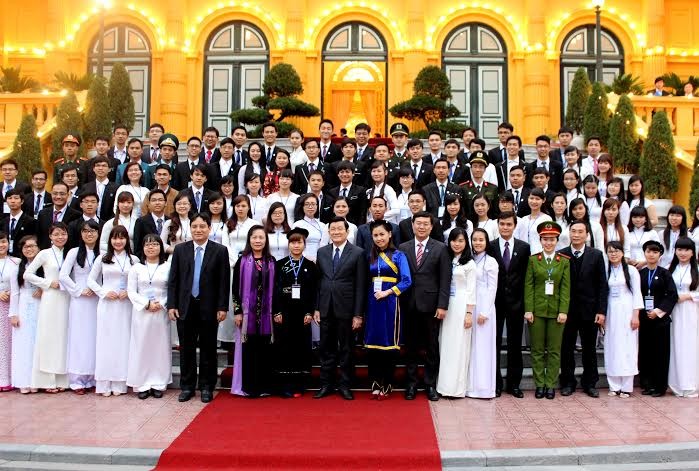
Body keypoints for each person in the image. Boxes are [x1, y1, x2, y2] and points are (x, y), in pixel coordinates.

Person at [168, 213, 230, 403]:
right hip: (185, 306)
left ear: (209, 228)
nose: (198, 230)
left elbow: (223, 281)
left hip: (209, 307)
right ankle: (187, 387)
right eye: (194, 226)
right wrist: (172, 304)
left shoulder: (219, 251)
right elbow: (174, 280)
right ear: (190, 228)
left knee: (208, 349)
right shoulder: (180, 250)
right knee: (186, 349)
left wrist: (222, 307)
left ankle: (206, 387)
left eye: (202, 226)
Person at [399, 211, 452, 401]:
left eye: (425, 224)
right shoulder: (403, 248)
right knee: (411, 346)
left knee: (431, 346)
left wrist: (442, 305)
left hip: (431, 306)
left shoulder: (440, 248)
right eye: (418, 223)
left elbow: (445, 279)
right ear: (412, 225)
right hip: (409, 304)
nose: (421, 227)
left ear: (431, 226)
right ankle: (411, 384)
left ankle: (430, 384)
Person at [313, 217, 368, 401]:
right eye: (333, 229)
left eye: (339, 229)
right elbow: (318, 282)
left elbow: (361, 285)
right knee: (325, 348)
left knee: (346, 349)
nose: (336, 232)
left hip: (347, 308)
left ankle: (345, 385)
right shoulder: (322, 252)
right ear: (329, 232)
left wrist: (358, 314)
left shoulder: (358, 253)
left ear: (347, 232)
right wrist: (317, 308)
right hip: (326, 308)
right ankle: (325, 384)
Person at [558, 220, 608, 397]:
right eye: (573, 231)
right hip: (567, 310)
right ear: (569, 233)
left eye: (580, 232)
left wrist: (601, 311)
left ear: (587, 235)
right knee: (566, 348)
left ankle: (590, 383)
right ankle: (567, 382)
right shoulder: (561, 255)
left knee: (589, 349)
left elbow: (602, 285)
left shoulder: (596, 255)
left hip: (590, 311)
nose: (576, 235)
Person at [88, 225, 139, 397]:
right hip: (107, 305)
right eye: (115, 238)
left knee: (123, 342)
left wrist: (129, 292)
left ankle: (120, 382)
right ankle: (103, 383)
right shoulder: (102, 258)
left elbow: (138, 283)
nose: (118, 241)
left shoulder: (134, 260)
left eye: (122, 238)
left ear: (127, 240)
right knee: (105, 341)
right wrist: (103, 292)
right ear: (110, 240)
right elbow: (91, 280)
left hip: (125, 306)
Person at [364, 219, 412, 399]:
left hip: (391, 302)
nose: (379, 238)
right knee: (373, 344)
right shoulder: (370, 255)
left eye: (382, 234)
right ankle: (375, 381)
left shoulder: (399, 255)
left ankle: (388, 382)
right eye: (375, 235)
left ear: (390, 234)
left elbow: (407, 280)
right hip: (372, 302)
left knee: (389, 343)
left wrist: (388, 292)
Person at [524, 221, 570, 400]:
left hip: (556, 311)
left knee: (553, 350)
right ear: (540, 240)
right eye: (545, 239)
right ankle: (539, 384)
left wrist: (563, 310)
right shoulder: (533, 260)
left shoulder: (563, 262)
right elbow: (529, 287)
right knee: (536, 350)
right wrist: (529, 310)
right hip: (537, 311)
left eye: (552, 239)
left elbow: (565, 288)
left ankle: (550, 384)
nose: (548, 243)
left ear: (557, 241)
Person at [24, 223, 71, 392]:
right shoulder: (44, 254)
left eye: (63, 234)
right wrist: (47, 283)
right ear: (50, 236)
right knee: (48, 336)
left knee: (63, 336)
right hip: (51, 298)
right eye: (56, 234)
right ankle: (46, 380)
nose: (60, 237)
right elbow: (27, 274)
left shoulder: (70, 252)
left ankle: (63, 379)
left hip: (67, 298)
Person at [231, 226, 277, 398]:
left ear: (266, 240)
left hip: (266, 315)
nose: (258, 241)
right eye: (254, 237)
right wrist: (237, 311)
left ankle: (263, 386)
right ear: (249, 239)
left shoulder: (271, 262)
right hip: (246, 315)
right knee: (248, 351)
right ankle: (248, 387)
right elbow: (235, 288)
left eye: (261, 237)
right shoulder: (242, 261)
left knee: (264, 350)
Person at [272, 228, 317, 397]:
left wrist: (309, 312)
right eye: (293, 242)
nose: (296, 245)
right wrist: (276, 311)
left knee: (301, 346)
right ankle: (285, 384)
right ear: (288, 244)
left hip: (303, 313)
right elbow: (274, 290)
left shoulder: (310, 266)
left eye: (299, 242)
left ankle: (300, 384)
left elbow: (314, 291)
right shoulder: (280, 264)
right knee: (284, 346)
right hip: (285, 311)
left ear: (304, 244)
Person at [126, 234, 172, 399]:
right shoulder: (136, 268)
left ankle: (159, 382)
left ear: (160, 247)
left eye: (154, 244)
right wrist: (146, 303)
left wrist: (162, 303)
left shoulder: (167, 267)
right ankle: (142, 384)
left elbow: (171, 288)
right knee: (142, 347)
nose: (151, 247)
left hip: (160, 313)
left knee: (159, 348)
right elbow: (131, 291)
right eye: (147, 245)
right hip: (141, 313)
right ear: (143, 248)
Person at [58, 220, 101, 394]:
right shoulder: (74, 253)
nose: (89, 234)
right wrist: (78, 290)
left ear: (98, 233)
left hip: (97, 298)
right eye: (85, 231)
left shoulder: (103, 253)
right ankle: (77, 380)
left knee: (96, 337)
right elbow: (63, 275)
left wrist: (98, 290)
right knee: (80, 338)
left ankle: (93, 377)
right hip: (80, 300)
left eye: (92, 231)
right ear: (81, 234)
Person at [491, 211, 530, 398]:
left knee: (515, 345)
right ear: (498, 225)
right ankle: (495, 383)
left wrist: (525, 304)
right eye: (502, 224)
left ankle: (514, 384)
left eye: (509, 224)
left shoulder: (524, 248)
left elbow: (526, 277)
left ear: (515, 226)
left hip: (516, 303)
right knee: (494, 344)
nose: (505, 227)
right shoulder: (490, 247)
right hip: (495, 303)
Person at [435, 228, 476, 398]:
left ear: (466, 243)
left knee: (459, 346)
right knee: (445, 345)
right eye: (454, 240)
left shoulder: (469, 263)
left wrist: (468, 313)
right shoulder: (447, 259)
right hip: (446, 305)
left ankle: (456, 389)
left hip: (460, 306)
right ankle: (443, 386)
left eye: (460, 241)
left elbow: (471, 290)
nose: (457, 244)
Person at [638, 240, 678, 397]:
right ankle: (647, 384)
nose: (651, 254)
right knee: (645, 352)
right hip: (644, 319)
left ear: (660, 255)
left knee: (660, 353)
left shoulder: (665, 273)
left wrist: (658, 311)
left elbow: (672, 295)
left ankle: (659, 386)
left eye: (655, 252)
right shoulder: (640, 273)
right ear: (644, 253)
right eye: (648, 251)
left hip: (660, 320)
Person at [604, 241, 644, 398]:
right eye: (610, 251)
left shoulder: (632, 271)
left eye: (616, 251)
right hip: (611, 311)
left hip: (627, 311)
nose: (613, 254)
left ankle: (626, 386)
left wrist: (636, 316)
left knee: (627, 347)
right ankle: (614, 385)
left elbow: (637, 294)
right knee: (611, 346)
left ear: (622, 253)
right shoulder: (606, 270)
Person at [466, 228, 499, 399]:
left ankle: (483, 388)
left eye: (481, 240)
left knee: (483, 347)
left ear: (487, 242)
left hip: (484, 306)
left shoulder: (491, 262)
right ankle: (469, 386)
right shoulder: (469, 259)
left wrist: (485, 311)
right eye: (475, 239)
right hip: (470, 305)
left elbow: (493, 287)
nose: (477, 243)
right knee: (470, 347)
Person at [668, 237, 699, 397]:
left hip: (691, 311)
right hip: (674, 312)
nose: (683, 253)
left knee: (690, 347)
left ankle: (691, 384)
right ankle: (677, 384)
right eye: (679, 249)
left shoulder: (697, 270)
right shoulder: (670, 269)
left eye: (686, 250)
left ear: (693, 252)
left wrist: (687, 296)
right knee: (676, 346)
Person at [10, 235, 41, 393]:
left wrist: (42, 289)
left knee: (38, 343)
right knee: (24, 344)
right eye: (26, 247)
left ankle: (37, 381)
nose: (29, 249)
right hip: (23, 306)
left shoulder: (43, 266)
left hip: (41, 306)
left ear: (38, 247)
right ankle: (24, 380)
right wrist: (13, 314)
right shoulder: (17, 267)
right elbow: (14, 293)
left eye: (32, 246)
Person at [0, 231, 18, 391]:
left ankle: (9, 378)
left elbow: (20, 283)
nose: (1, 245)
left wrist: (11, 293)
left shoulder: (15, 262)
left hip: (10, 305)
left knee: (8, 342)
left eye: (4, 241)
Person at [291, 193, 329, 261]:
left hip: (320, 260)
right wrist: (307, 259)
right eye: (307, 204)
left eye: (313, 204)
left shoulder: (322, 225)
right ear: (302, 206)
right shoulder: (297, 225)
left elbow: (324, 245)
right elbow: (295, 245)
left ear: (317, 206)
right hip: (302, 260)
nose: (310, 207)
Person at [514, 188, 552, 254]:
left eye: (537, 199)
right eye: (531, 198)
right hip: (522, 255)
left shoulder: (546, 219)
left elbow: (548, 240)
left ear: (543, 200)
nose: (534, 201)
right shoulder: (523, 220)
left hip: (539, 256)